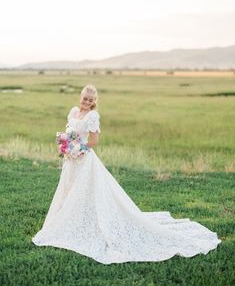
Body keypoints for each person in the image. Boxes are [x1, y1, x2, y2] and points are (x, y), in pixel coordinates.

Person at [32, 84, 221, 264]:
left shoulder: (92, 116)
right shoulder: (74, 111)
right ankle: (67, 220)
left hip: (83, 158)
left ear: (94, 101)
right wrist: (66, 144)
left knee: (87, 190)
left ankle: (91, 223)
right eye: (84, 98)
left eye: (90, 100)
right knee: (69, 189)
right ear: (80, 97)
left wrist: (77, 147)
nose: (86, 102)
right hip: (70, 160)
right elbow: (69, 131)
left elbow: (94, 141)